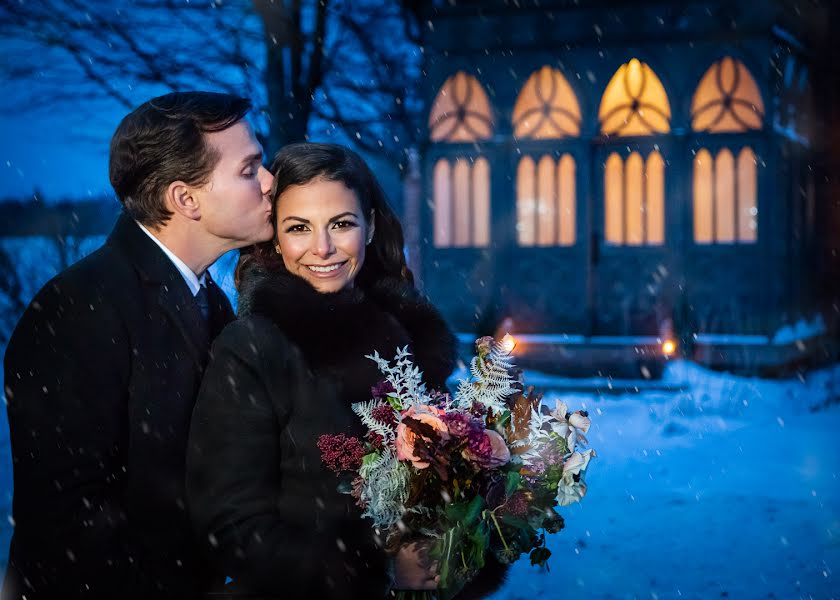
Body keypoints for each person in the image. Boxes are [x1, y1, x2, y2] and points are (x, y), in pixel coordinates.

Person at [2, 91, 275, 600]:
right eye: (249, 169)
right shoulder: (78, 308)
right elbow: (68, 517)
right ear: (185, 199)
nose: (269, 182)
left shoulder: (212, 301)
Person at [186, 143, 458, 598]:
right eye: (298, 228)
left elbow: (445, 483)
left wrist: (456, 546)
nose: (323, 248)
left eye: (342, 224)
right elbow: (230, 526)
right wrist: (380, 569)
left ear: (369, 226)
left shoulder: (408, 338)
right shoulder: (253, 347)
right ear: (275, 238)